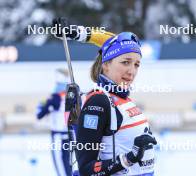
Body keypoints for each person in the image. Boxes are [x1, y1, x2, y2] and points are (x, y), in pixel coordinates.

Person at [52, 18, 157, 176]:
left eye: (136, 64)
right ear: (105, 65)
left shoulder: (121, 98)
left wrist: (79, 33)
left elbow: (111, 41)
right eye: (125, 62)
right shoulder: (99, 101)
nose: (132, 71)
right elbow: (86, 170)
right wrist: (129, 158)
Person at [36, 68, 72, 176]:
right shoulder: (72, 96)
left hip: (58, 137)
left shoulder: (54, 98)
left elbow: (39, 115)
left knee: (61, 164)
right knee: (69, 164)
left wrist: (42, 105)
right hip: (70, 136)